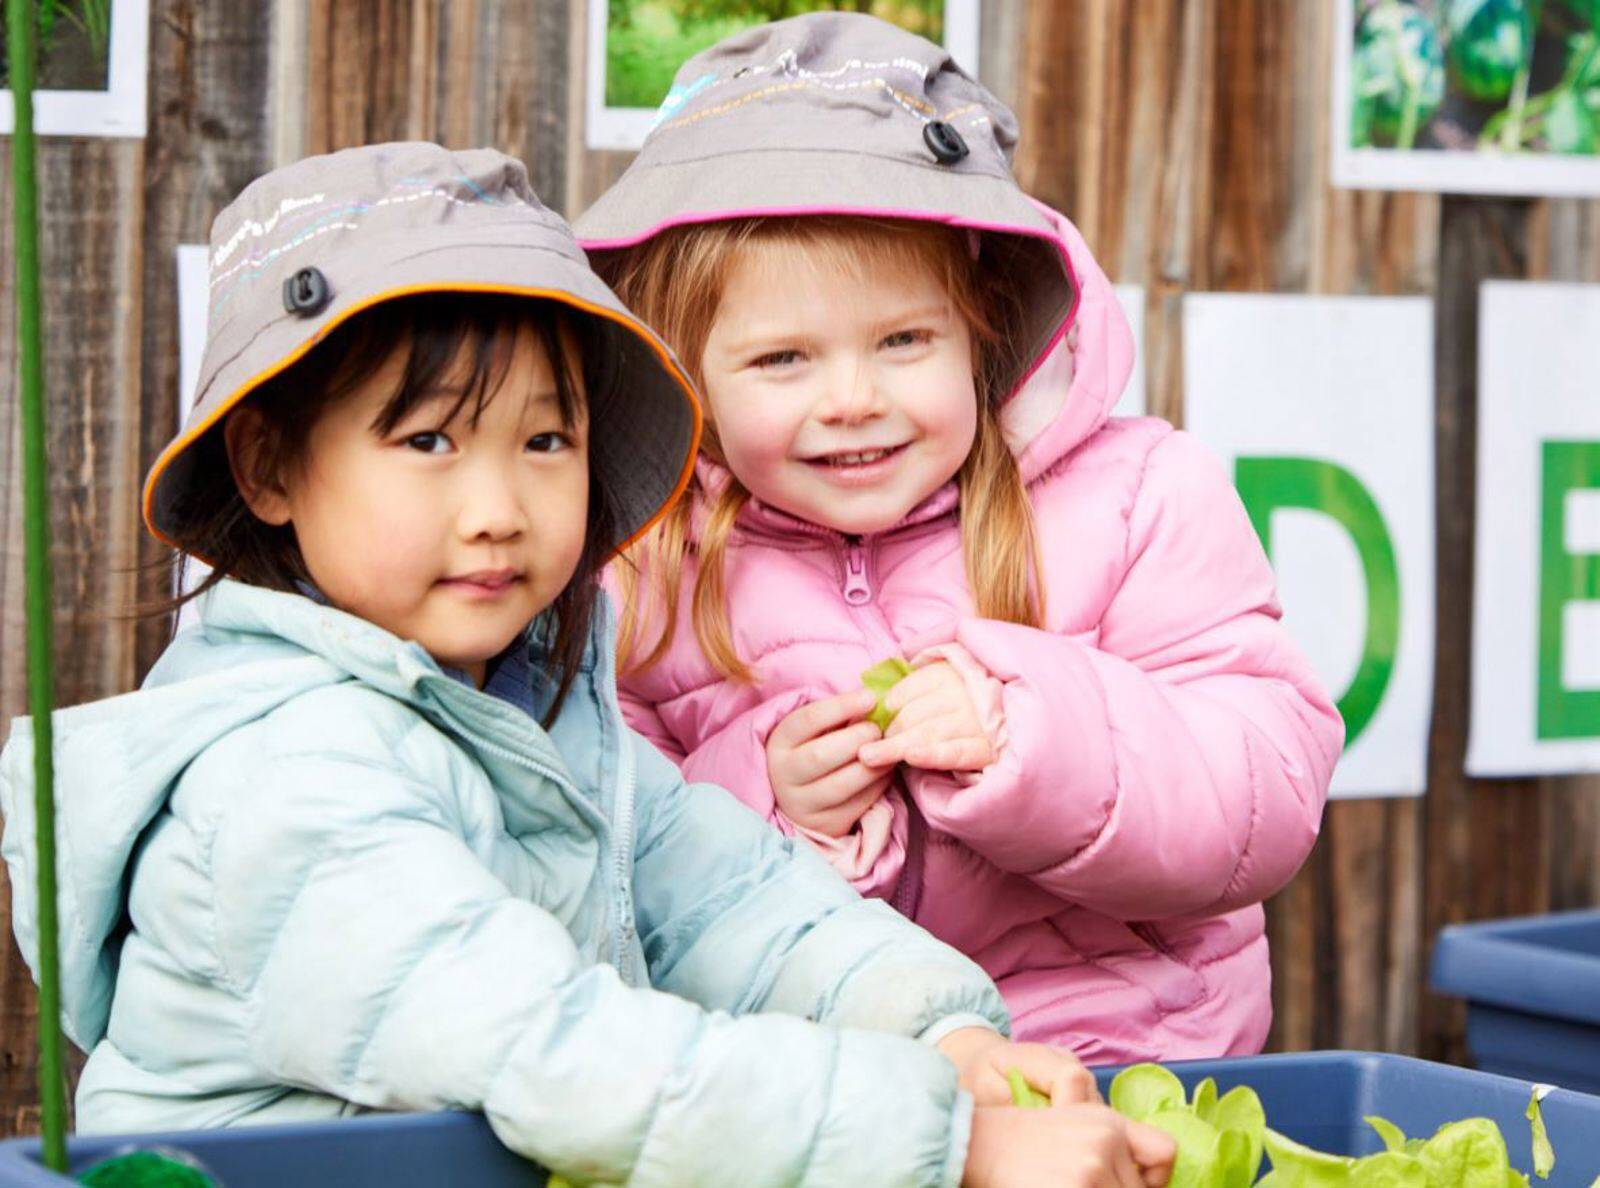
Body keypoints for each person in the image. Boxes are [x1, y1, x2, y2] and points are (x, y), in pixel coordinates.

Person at [0, 142, 1174, 1188]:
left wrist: (947, 1041)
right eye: (427, 442)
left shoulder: (534, 706)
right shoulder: (284, 777)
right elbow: (556, 1052)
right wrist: (944, 1145)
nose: (499, 509)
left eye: (547, 440)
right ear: (267, 469)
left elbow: (737, 906)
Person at [580, 13, 1344, 1064]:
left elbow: (1265, 789)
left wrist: (1034, 735)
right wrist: (768, 803)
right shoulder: (639, 566)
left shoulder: (1138, 496)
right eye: (782, 361)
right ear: (682, 369)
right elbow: (600, 846)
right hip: (817, 1074)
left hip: (1118, 1056)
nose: (852, 400)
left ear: (981, 324)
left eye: (902, 341)